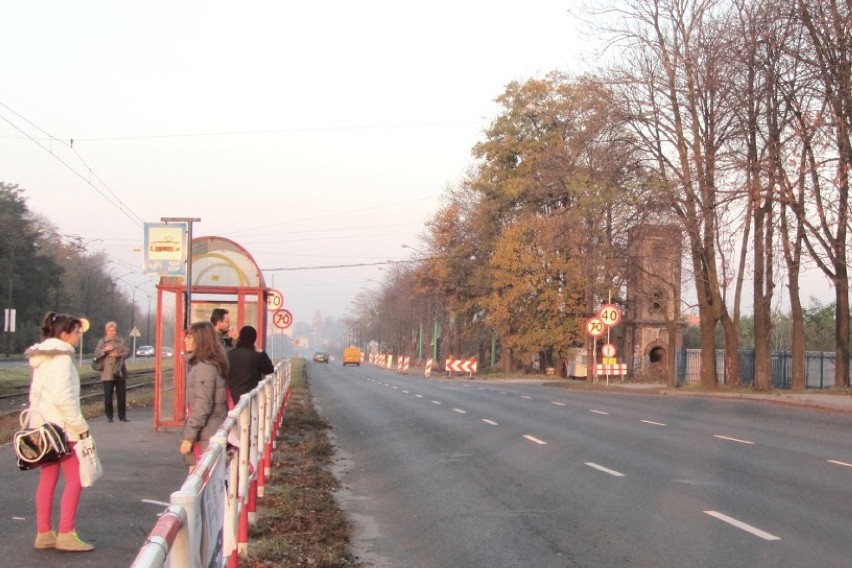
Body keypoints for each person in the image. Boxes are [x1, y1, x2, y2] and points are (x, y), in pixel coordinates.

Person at [25, 312, 94, 552]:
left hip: (43, 429)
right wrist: (81, 427)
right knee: (75, 478)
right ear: (64, 335)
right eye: (76, 332)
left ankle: (44, 532)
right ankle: (66, 533)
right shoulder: (62, 360)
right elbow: (64, 399)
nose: (78, 336)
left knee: (48, 478)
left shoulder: (42, 359)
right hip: (63, 430)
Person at [180, 321, 229, 469]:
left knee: (197, 482)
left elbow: (203, 404)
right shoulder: (208, 363)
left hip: (206, 433)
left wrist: (189, 437)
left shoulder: (204, 367)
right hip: (209, 430)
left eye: (190, 337)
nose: (185, 340)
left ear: (201, 340)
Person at [226, 325, 274, 405]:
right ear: (254, 339)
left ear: (240, 337)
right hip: (250, 398)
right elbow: (269, 369)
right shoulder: (256, 356)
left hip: (231, 397)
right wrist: (260, 351)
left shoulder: (229, 354)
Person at [93, 321, 130, 422]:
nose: (111, 332)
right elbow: (96, 353)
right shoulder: (102, 341)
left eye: (112, 330)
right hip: (107, 372)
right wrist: (105, 350)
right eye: (109, 330)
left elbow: (127, 352)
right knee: (108, 395)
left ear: (115, 331)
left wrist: (119, 354)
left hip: (119, 371)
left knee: (121, 395)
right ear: (106, 331)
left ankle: (122, 416)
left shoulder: (121, 341)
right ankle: (109, 416)